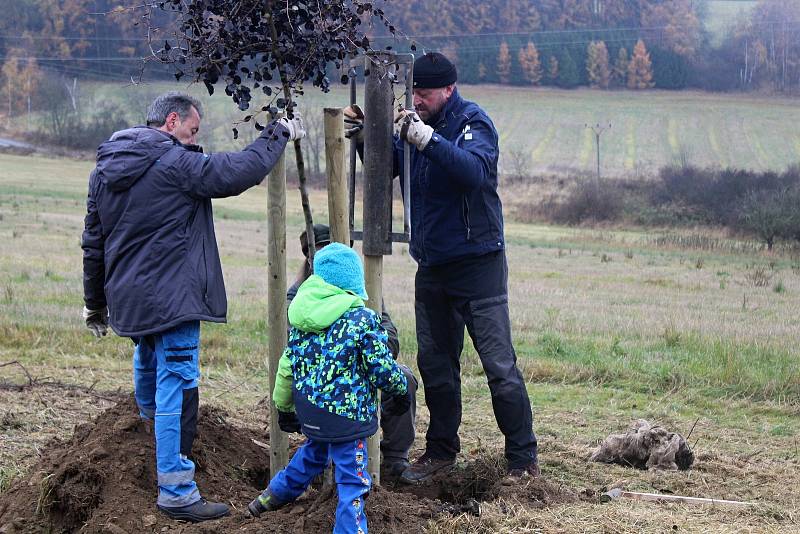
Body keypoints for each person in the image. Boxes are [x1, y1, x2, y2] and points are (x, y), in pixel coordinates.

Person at [81, 91, 305, 522]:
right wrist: (278, 133)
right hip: (174, 299)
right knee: (178, 387)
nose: (194, 138)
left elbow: (94, 242)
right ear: (170, 122)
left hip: (131, 299)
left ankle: (147, 452)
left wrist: (95, 303)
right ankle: (177, 490)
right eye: (193, 129)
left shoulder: (103, 171)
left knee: (148, 364)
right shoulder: (174, 164)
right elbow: (237, 171)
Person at [344, 52, 539, 483]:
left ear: (448, 89)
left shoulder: (474, 123)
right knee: (435, 366)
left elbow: (473, 172)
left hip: (478, 265)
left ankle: (523, 461)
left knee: (499, 367)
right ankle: (440, 453)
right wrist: (365, 139)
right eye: (414, 91)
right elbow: (391, 167)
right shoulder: (413, 125)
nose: (417, 99)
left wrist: (426, 139)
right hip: (431, 266)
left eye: (425, 93)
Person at [248, 243, 411, 534]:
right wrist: (400, 390)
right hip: (347, 418)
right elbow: (382, 369)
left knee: (313, 454)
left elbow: (287, 367)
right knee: (352, 481)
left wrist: (284, 409)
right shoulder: (363, 320)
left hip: (311, 414)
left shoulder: (301, 319)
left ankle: (269, 498)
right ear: (354, 282)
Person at [289, 224, 418, 477]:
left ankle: (394, 458)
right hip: (319, 375)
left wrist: (373, 354)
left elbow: (387, 329)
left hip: (362, 365)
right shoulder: (299, 296)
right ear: (311, 258)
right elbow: (293, 347)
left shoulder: (359, 286)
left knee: (405, 379)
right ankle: (326, 460)